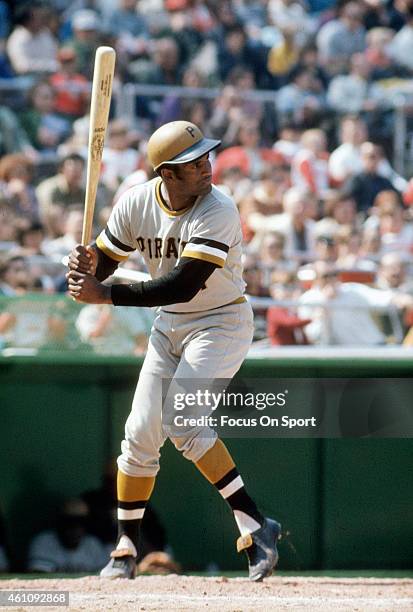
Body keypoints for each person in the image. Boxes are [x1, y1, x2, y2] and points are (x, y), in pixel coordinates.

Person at [67, 120, 281, 581]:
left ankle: (253, 522)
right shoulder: (137, 202)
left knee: (183, 421)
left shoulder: (219, 208)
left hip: (221, 321)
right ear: (166, 173)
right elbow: (106, 257)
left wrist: (103, 293)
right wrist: (90, 267)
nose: (207, 167)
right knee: (141, 431)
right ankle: (125, 548)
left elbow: (183, 285)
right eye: (193, 163)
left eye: (206, 157)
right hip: (171, 327)